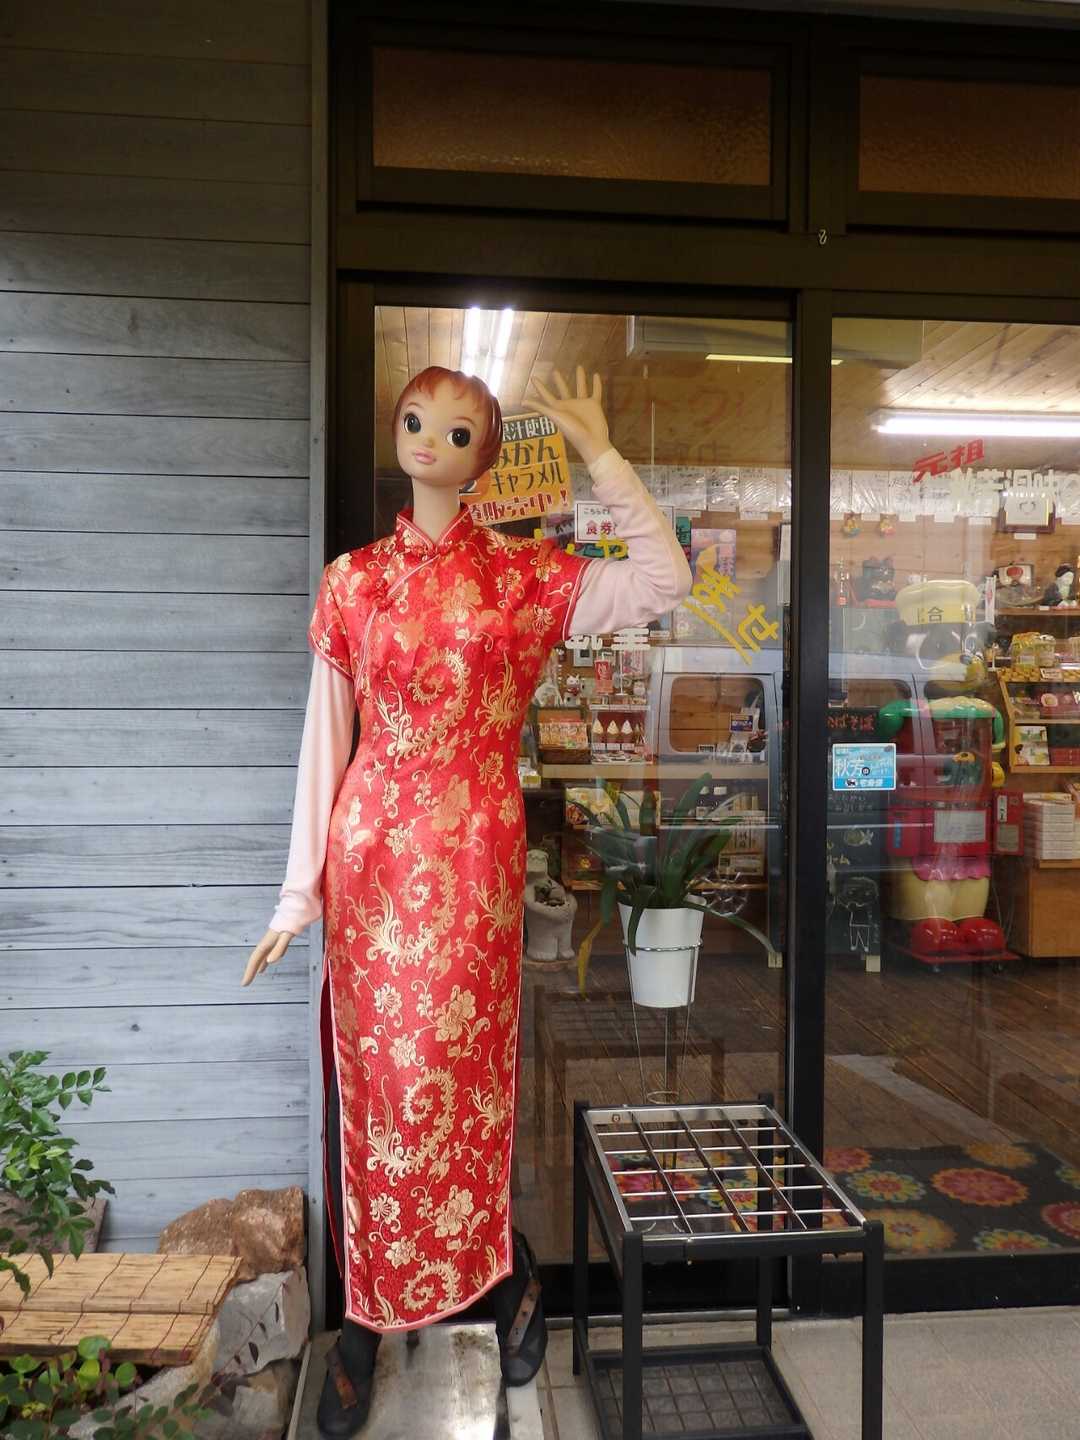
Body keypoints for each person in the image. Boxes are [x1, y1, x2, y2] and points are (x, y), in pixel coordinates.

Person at [241, 364, 691, 1437]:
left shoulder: (526, 577)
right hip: (370, 869)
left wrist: (602, 455)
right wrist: (296, 895)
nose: (427, 439)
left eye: (454, 430)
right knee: (379, 1093)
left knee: (463, 1091)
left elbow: (663, 581)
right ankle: (367, 1319)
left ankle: (499, 1277)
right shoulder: (353, 582)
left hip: (475, 871)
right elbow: (325, 742)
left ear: (484, 458)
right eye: (414, 419)